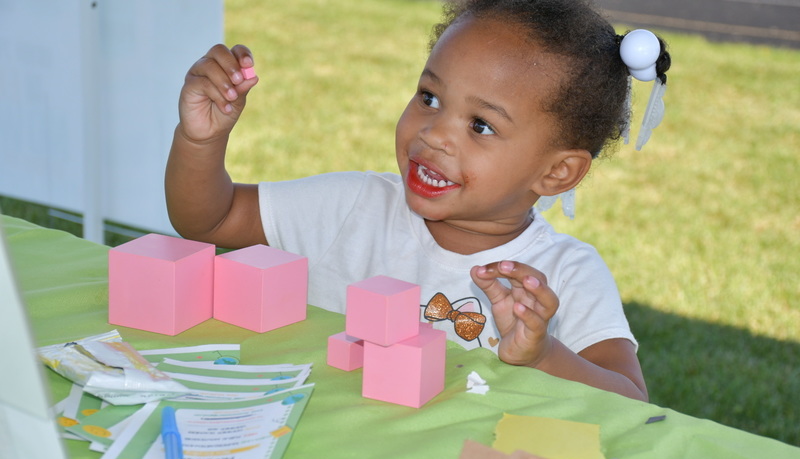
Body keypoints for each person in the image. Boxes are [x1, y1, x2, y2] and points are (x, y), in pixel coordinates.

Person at [165, 0, 671, 402]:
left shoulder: (563, 274)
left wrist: (543, 356)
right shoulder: (353, 207)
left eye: (481, 126)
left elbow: (630, 402)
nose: (434, 135)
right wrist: (200, 141)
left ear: (557, 172)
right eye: (430, 97)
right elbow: (211, 218)